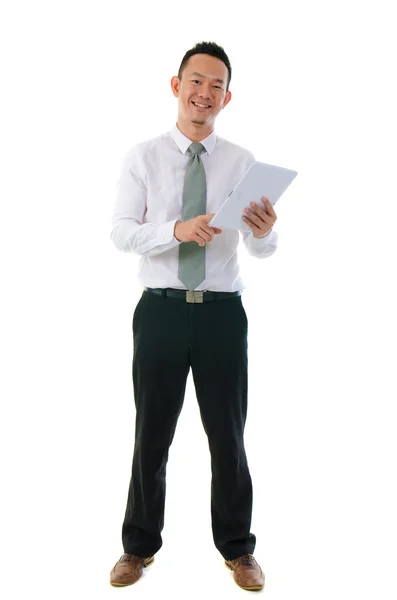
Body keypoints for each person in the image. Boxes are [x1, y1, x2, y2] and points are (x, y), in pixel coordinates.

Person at [109, 41, 278, 592]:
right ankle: (138, 548)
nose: (204, 93)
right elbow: (121, 232)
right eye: (196, 81)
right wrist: (176, 231)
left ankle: (238, 549)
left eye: (216, 86)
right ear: (176, 85)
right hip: (159, 313)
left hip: (222, 317)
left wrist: (263, 227)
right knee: (150, 433)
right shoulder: (143, 156)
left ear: (227, 98)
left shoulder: (243, 161)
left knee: (228, 435)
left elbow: (264, 251)